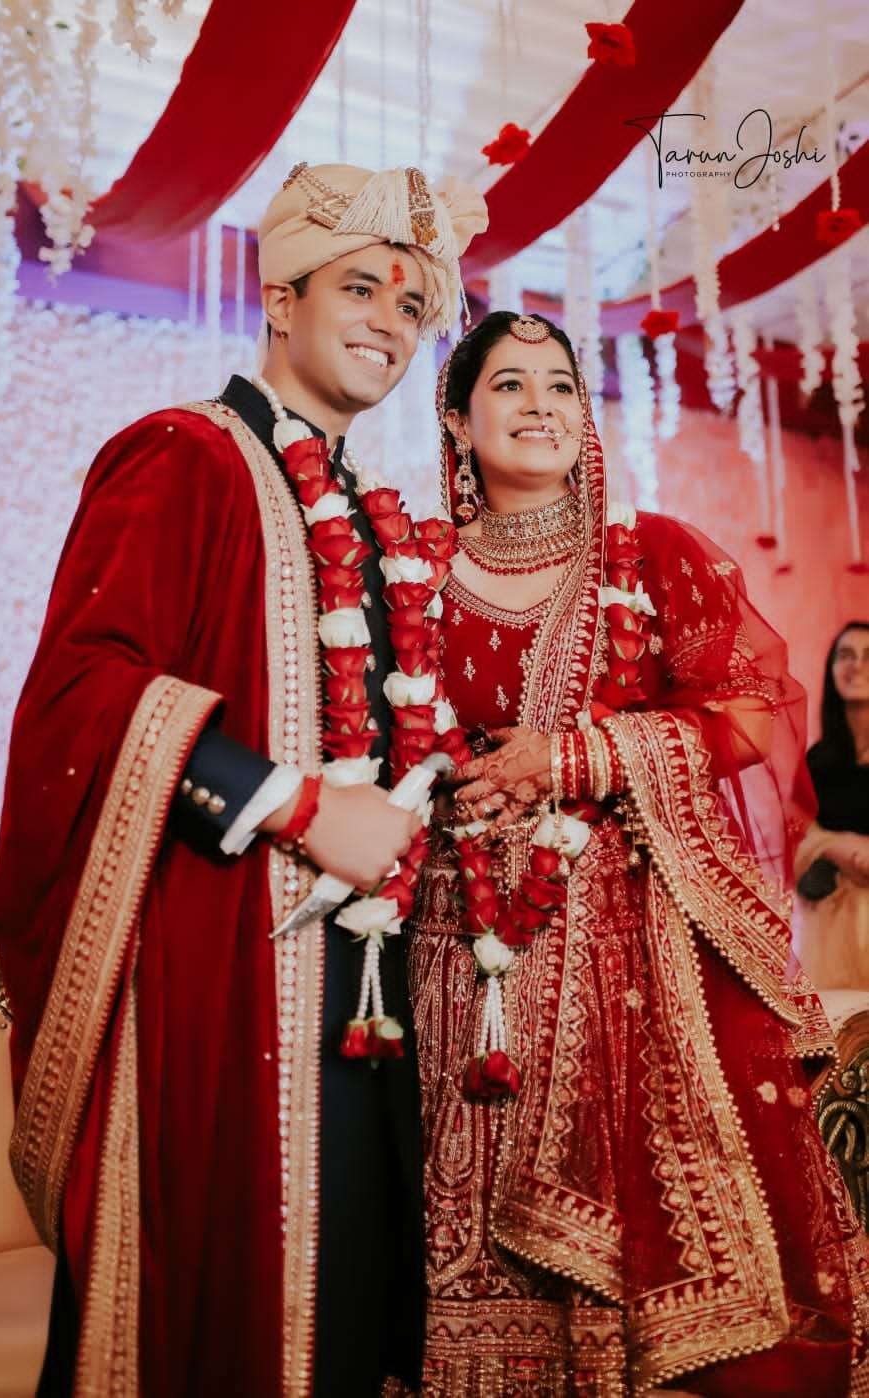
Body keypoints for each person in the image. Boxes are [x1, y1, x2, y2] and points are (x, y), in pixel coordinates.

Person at [0, 162, 486, 1397]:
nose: (388, 322)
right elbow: (82, 692)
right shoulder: (184, 457)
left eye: (412, 306)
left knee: (351, 1310)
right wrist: (303, 806)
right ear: (279, 299)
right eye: (359, 288)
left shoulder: (371, 516)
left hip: (367, 987)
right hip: (219, 975)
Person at [402, 312, 869, 1397]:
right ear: (457, 419)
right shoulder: (412, 571)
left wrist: (580, 755)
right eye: (508, 385)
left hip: (626, 944)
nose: (540, 406)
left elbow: (748, 710)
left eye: (560, 386)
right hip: (448, 941)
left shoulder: (649, 553)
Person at [794, 622, 869, 990]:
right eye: (845, 655)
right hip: (829, 928)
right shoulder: (818, 759)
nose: (857, 665)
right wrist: (838, 848)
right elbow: (795, 833)